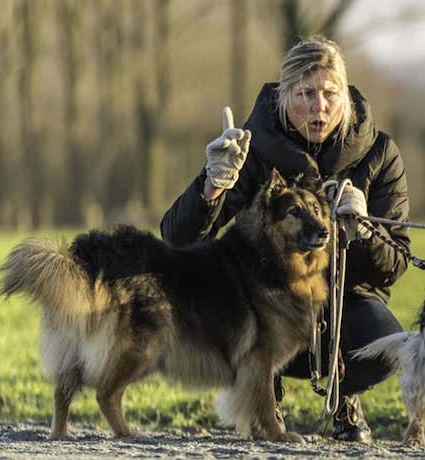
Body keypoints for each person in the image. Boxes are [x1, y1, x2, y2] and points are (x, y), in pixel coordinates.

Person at [160, 36, 410, 442]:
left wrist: (363, 231)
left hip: (343, 301)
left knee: (383, 346)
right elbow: (177, 239)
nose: (319, 106)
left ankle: (342, 390)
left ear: (346, 95)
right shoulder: (250, 149)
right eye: (305, 94)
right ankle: (262, 384)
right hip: (263, 304)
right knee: (233, 313)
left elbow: (396, 263)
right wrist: (212, 186)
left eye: (330, 93)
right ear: (283, 95)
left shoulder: (380, 154)